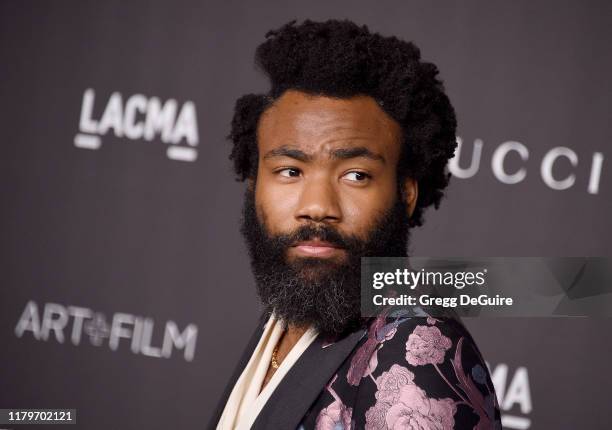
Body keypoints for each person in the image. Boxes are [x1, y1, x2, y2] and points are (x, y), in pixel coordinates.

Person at [209, 19, 502, 430]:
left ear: (406, 192)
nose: (316, 207)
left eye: (356, 175)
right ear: (253, 181)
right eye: (290, 171)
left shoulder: (418, 348)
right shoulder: (288, 309)